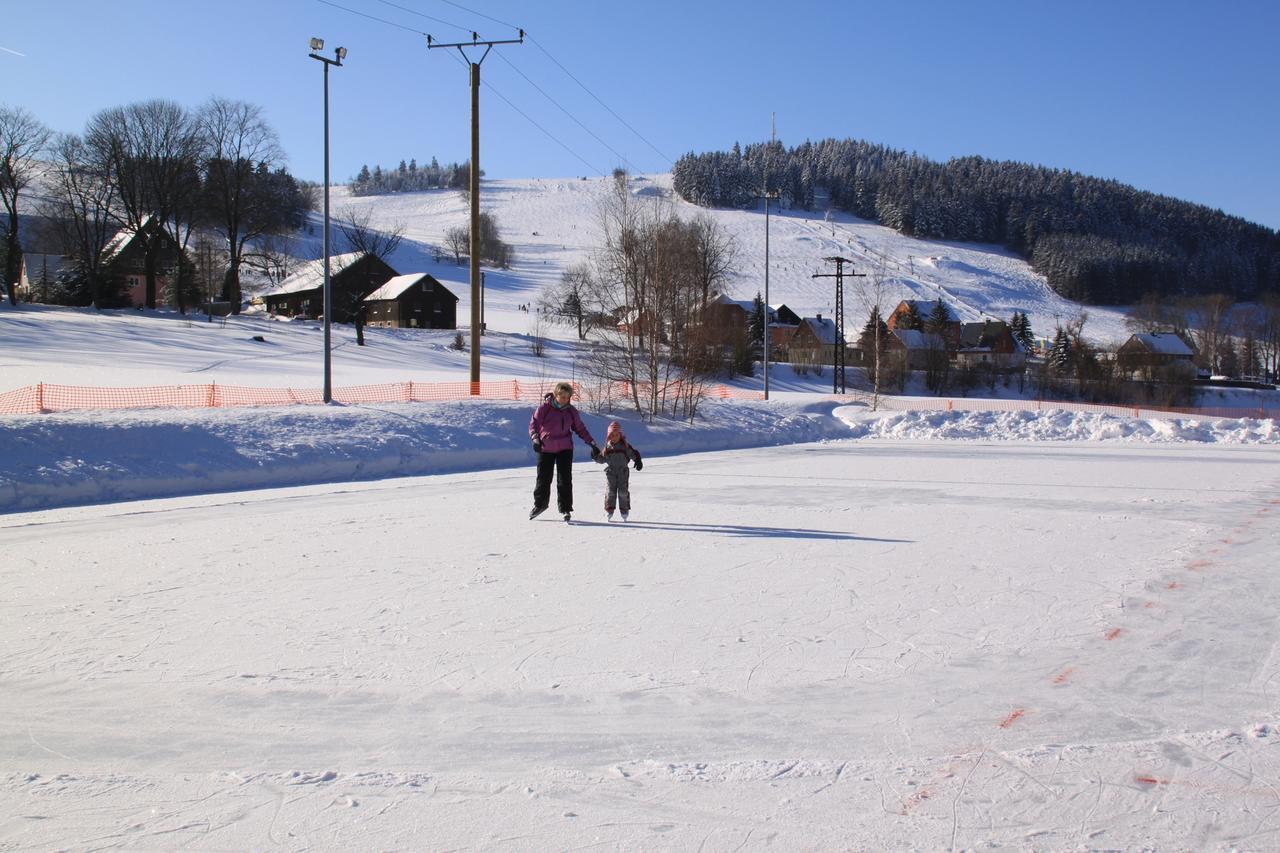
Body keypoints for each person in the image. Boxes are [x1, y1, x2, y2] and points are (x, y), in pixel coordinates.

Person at [528, 381, 599, 522]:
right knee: (543, 478)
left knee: (565, 480)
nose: (564, 400)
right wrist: (535, 439)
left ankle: (565, 508)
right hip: (546, 447)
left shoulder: (571, 411)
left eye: (567, 397)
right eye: (562, 396)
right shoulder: (544, 408)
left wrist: (592, 443)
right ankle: (540, 505)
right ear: (556, 395)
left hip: (565, 449)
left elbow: (580, 429)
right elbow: (533, 425)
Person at [594, 420, 642, 521]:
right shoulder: (607, 447)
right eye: (612, 435)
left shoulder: (625, 446)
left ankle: (624, 510)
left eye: (616, 435)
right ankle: (609, 510)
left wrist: (638, 460)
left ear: (620, 435)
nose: (614, 437)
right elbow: (602, 459)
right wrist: (595, 456)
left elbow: (633, 453)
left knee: (623, 492)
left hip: (623, 472)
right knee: (610, 492)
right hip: (611, 473)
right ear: (609, 436)